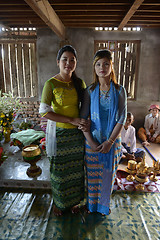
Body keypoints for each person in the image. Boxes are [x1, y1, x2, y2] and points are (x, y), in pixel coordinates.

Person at [39, 45, 87, 216]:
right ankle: (59, 203)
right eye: (65, 59)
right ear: (58, 62)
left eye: (72, 60)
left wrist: (83, 123)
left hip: (77, 136)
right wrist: (71, 120)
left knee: (75, 171)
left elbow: (85, 107)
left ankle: (75, 202)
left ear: (76, 63)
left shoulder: (79, 83)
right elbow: (44, 111)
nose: (68, 63)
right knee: (59, 171)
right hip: (59, 135)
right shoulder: (51, 83)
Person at [80, 49, 127, 215]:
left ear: (111, 66)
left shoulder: (120, 91)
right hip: (92, 142)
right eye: (98, 64)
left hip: (112, 143)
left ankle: (103, 207)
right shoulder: (90, 91)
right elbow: (83, 118)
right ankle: (92, 206)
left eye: (106, 63)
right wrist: (92, 142)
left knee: (107, 177)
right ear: (94, 67)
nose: (102, 67)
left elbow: (122, 117)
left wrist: (110, 142)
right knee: (92, 178)